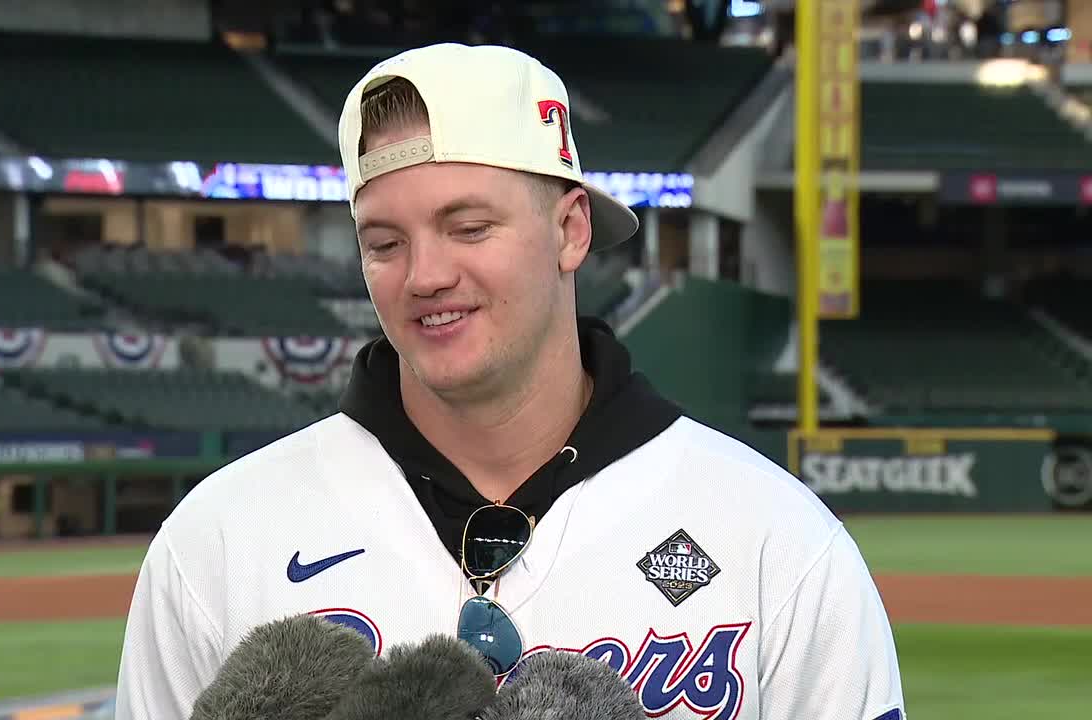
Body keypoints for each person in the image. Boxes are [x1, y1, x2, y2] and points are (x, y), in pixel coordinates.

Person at [114, 43, 905, 720]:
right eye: (385, 242)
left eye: (469, 228)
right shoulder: (218, 539)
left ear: (570, 230)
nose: (425, 275)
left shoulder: (774, 537)